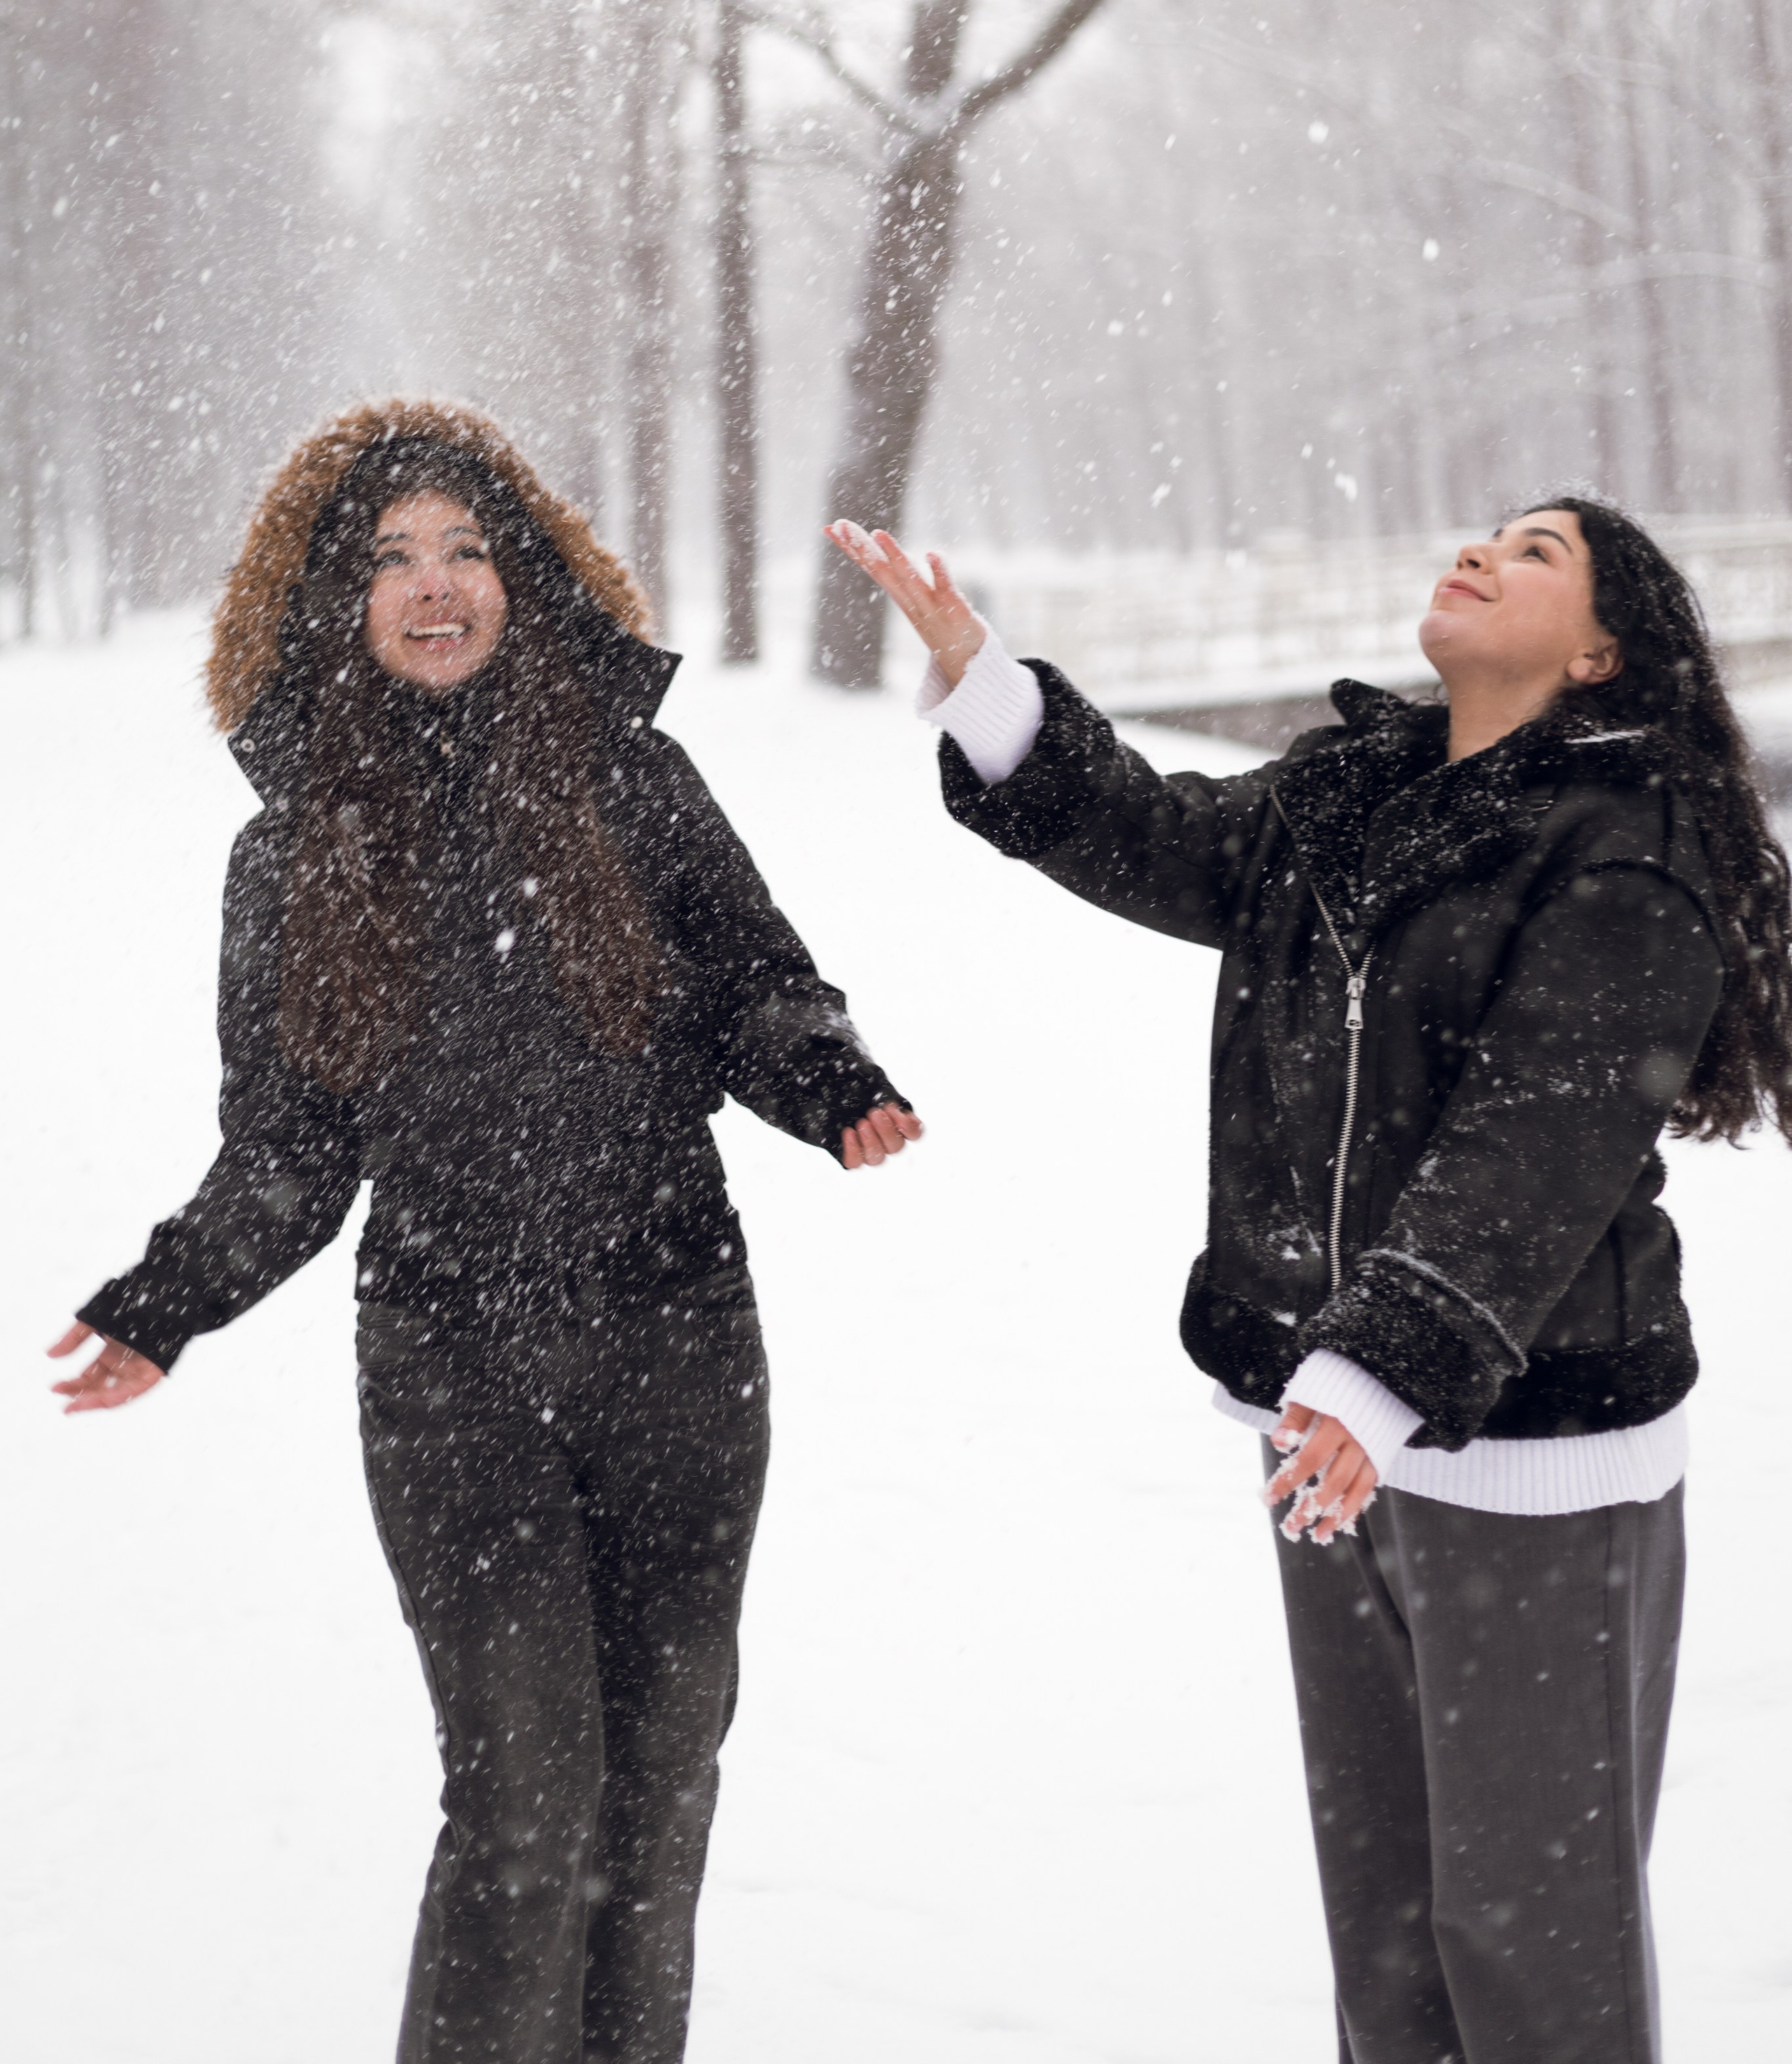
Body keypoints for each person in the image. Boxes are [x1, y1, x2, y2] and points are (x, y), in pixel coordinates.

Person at [827, 497, 1791, 2064]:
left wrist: (1374, 1367)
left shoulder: (1628, 832)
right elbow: (1150, 835)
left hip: (1529, 1449)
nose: (1480, 551)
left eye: (1536, 553)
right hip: (1326, 1428)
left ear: (1604, 649)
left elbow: (1538, 1132)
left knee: (1529, 1946)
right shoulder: (1353, 796)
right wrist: (980, 678)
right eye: (1484, 533)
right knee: (1391, 1935)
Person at [48, 399, 921, 2064]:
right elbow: (291, 1147)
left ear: (522, 572)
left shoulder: (635, 779)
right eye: (388, 561)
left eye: (463, 550)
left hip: (679, 1339)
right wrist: (169, 1298)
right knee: (527, 1800)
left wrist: (823, 1079)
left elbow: (754, 981)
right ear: (331, 601)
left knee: (659, 1798)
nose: (433, 586)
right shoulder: (293, 847)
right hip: (451, 1369)